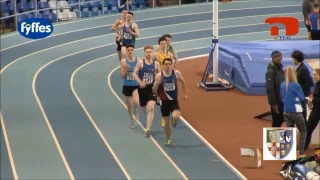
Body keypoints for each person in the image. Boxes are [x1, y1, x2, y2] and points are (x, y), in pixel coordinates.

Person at [152, 58, 187, 146]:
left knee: (176, 115)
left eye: (169, 64)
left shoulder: (176, 73)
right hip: (164, 102)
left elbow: (183, 82)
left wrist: (185, 94)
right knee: (166, 124)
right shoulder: (159, 76)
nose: (167, 66)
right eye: (166, 64)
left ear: (172, 65)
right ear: (163, 65)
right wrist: (157, 84)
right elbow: (153, 91)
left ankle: (175, 120)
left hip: (174, 100)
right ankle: (168, 139)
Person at [132, 45, 161, 137]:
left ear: (152, 53)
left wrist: (158, 84)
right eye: (147, 52)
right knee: (144, 109)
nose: (148, 53)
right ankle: (144, 108)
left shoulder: (156, 64)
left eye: (150, 52)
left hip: (151, 88)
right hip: (142, 89)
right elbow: (134, 73)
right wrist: (140, 82)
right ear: (144, 53)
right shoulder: (141, 63)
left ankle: (147, 129)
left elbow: (159, 75)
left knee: (152, 107)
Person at [280, 66, 308, 158]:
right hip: (296, 112)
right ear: (294, 73)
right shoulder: (296, 85)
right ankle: (301, 153)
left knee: (289, 132)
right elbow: (302, 98)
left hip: (286, 111)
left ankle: (289, 152)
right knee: (303, 131)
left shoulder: (283, 85)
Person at [152, 36, 175, 128]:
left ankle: (172, 115)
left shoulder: (170, 55)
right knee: (162, 100)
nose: (163, 45)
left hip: (170, 79)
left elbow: (173, 67)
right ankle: (163, 117)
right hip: (160, 79)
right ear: (159, 45)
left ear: (167, 44)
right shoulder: (156, 55)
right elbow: (150, 64)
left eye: (165, 43)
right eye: (161, 44)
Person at [120, 45, 139, 129]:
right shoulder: (123, 61)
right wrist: (126, 70)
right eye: (128, 50)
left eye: (131, 50)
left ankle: (135, 113)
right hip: (127, 85)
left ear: (133, 51)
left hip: (135, 85)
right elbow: (122, 76)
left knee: (135, 102)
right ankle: (132, 120)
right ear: (126, 52)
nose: (130, 51)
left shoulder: (138, 60)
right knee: (129, 105)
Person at [291, 50, 314, 121]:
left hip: (303, 95)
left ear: (295, 59)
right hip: (300, 94)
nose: (292, 60)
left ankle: (304, 130)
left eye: (293, 59)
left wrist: (299, 89)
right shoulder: (299, 68)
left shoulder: (303, 69)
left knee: (302, 115)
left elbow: (310, 82)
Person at [266, 50, 285, 127]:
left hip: (282, 100)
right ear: (272, 58)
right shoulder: (270, 71)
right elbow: (270, 89)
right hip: (276, 101)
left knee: (281, 119)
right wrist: (273, 103)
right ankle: (274, 139)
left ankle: (278, 138)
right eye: (276, 57)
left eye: (279, 56)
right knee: (277, 121)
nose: (278, 58)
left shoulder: (281, 69)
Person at [305, 68, 320, 150]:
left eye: (315, 75)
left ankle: (303, 147)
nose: (313, 76)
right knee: (309, 128)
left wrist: (313, 100)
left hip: (317, 110)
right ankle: (304, 146)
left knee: (308, 128)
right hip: (316, 109)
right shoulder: (317, 84)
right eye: (313, 74)